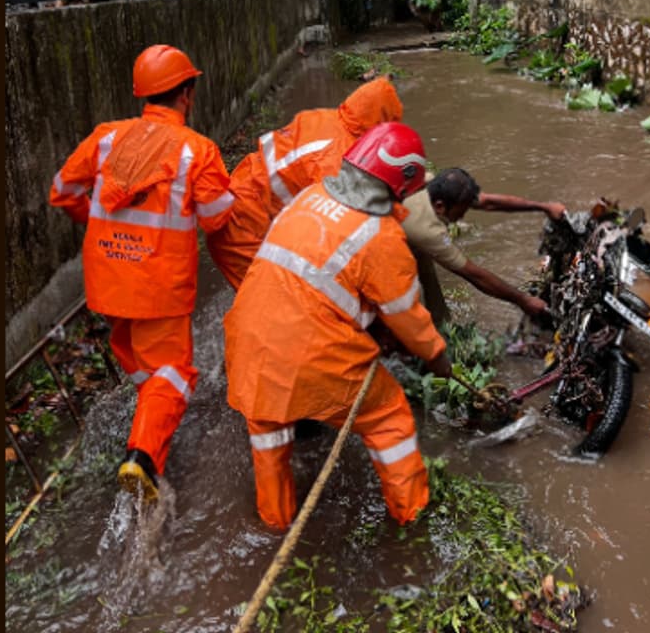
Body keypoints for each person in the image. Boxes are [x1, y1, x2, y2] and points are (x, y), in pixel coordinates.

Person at [222, 122, 454, 530]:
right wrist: (439, 359)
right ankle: (412, 515)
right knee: (389, 417)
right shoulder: (381, 236)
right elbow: (410, 321)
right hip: (312, 354)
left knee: (269, 434)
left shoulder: (308, 197)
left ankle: (275, 524)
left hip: (247, 344)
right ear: (399, 185)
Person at [48, 44, 235, 503]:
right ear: (186, 94)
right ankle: (142, 457)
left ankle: (149, 426)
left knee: (136, 360)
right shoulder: (198, 150)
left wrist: (98, 224)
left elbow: (62, 191)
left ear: (142, 95)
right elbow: (216, 217)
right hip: (159, 288)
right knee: (172, 372)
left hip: (108, 279)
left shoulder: (107, 138)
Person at [206, 77, 404, 290]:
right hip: (243, 226)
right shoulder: (336, 160)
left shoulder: (326, 119)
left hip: (241, 203)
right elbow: (339, 233)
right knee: (273, 303)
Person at [401, 167, 566, 324]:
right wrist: (523, 300)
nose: (463, 216)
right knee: (408, 299)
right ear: (439, 207)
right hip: (390, 243)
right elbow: (474, 275)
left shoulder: (431, 185)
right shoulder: (428, 232)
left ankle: (441, 324)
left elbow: (488, 202)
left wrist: (544, 207)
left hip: (405, 226)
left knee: (431, 289)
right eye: (461, 211)